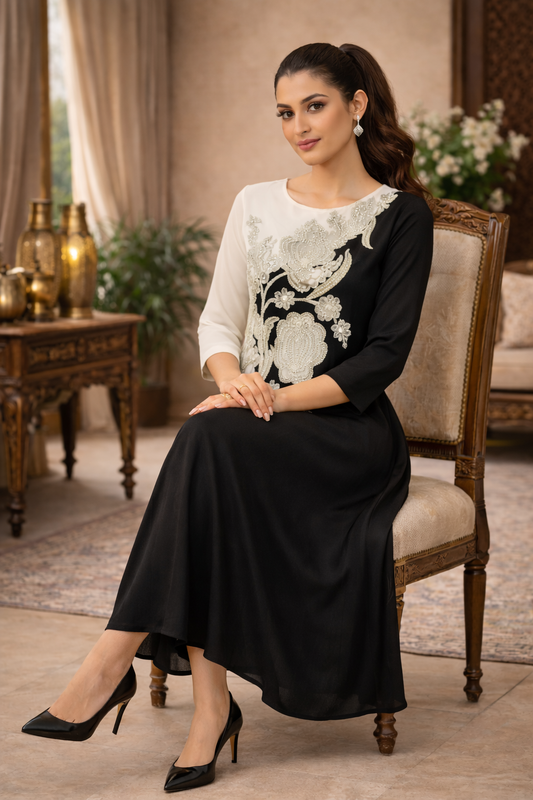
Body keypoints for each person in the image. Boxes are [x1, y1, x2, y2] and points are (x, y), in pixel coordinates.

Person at [22, 42, 434, 794]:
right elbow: (217, 324)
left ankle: (112, 662)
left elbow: (382, 359)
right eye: (284, 112)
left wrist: (271, 398)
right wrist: (234, 379)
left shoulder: (400, 216)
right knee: (214, 442)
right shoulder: (255, 201)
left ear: (356, 105)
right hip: (250, 421)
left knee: (209, 441)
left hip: (345, 437)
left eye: (314, 106)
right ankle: (207, 709)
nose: (298, 126)